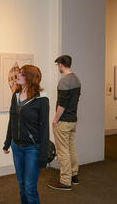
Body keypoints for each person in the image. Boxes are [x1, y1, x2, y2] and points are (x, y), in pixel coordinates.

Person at [3, 65, 50, 204]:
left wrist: (43, 155)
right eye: (19, 73)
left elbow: (45, 129)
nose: (18, 75)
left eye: (22, 74)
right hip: (17, 147)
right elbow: (12, 121)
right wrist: (7, 143)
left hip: (32, 149)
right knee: (22, 185)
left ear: (31, 78)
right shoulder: (15, 96)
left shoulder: (41, 99)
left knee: (30, 188)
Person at [48, 55, 81, 191]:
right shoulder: (76, 79)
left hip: (63, 121)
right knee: (71, 148)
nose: (58, 67)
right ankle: (74, 175)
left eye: (58, 65)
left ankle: (65, 181)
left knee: (63, 151)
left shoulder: (64, 81)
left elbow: (62, 104)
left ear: (61, 65)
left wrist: (55, 119)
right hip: (73, 120)